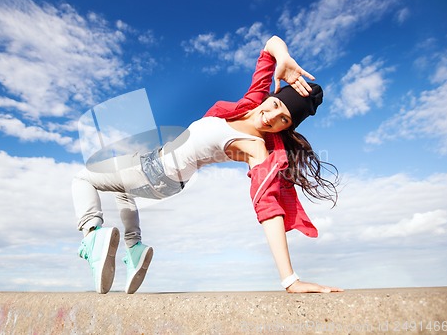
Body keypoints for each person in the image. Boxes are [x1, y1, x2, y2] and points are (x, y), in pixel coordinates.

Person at [72, 35, 343, 295]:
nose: (270, 117)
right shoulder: (248, 105)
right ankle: (134, 249)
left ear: (287, 128)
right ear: (270, 97)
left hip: (156, 171)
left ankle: (92, 236)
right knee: (123, 192)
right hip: (160, 172)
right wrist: (283, 57)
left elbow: (267, 206)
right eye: (274, 105)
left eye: (283, 119)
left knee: (83, 179)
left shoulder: (255, 148)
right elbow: (269, 47)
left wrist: (290, 279)